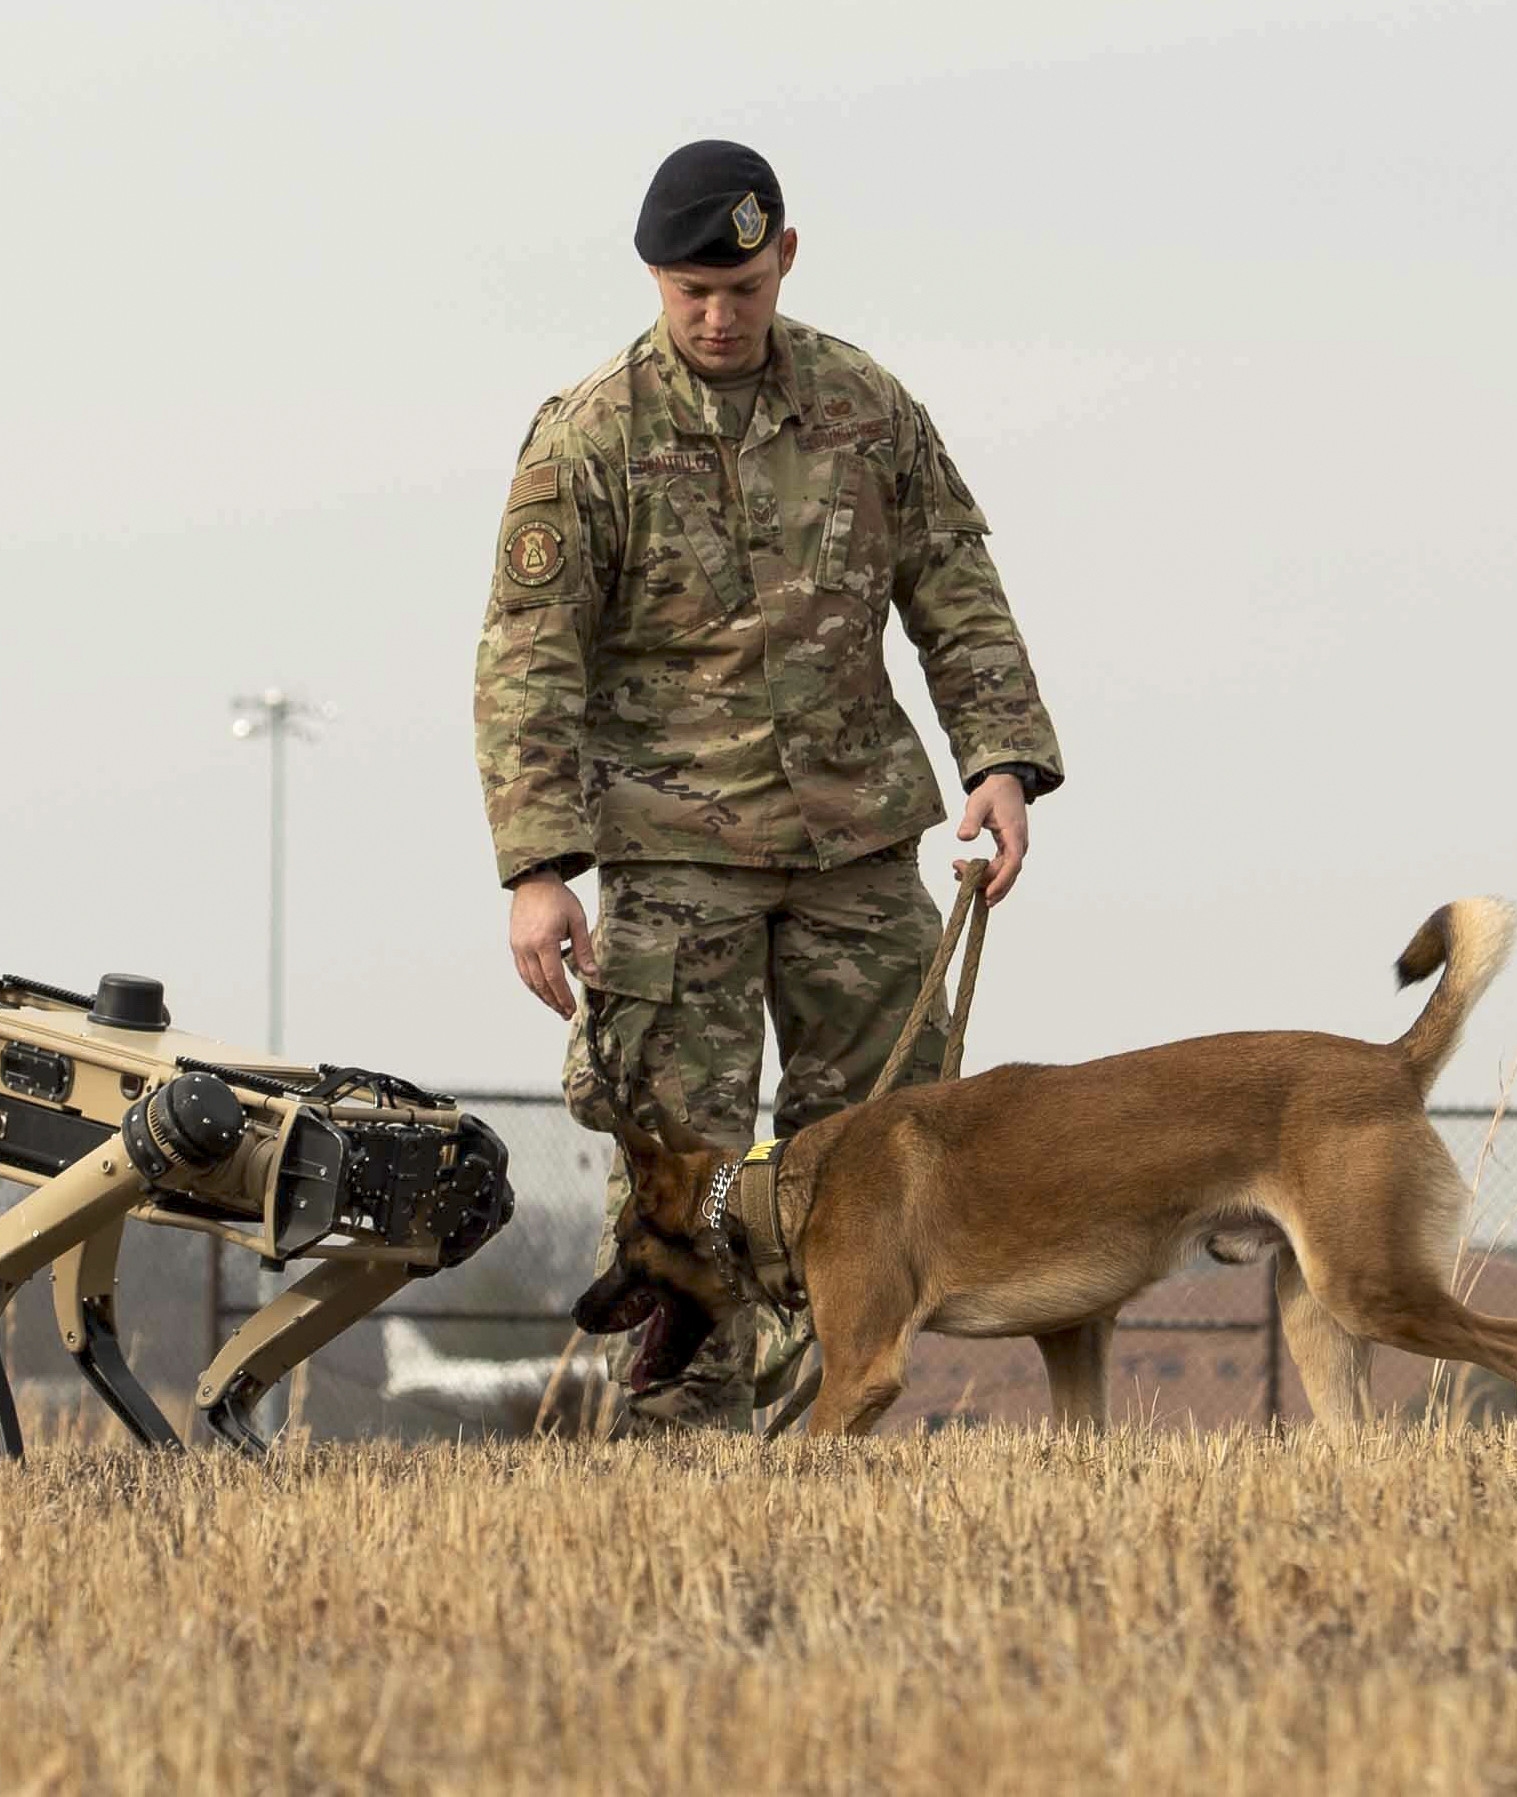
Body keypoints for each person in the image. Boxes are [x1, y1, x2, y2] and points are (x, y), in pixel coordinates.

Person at [471, 140, 1065, 1433]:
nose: (717, 315)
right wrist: (537, 867)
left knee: (879, 1145)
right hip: (674, 856)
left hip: (856, 842)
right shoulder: (590, 439)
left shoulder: (866, 408)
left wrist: (1001, 760)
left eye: (740, 285)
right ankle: (686, 1428)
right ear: (651, 278)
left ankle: (828, 1409)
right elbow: (528, 659)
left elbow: (954, 583)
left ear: (784, 258)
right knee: (679, 1158)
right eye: (691, 290)